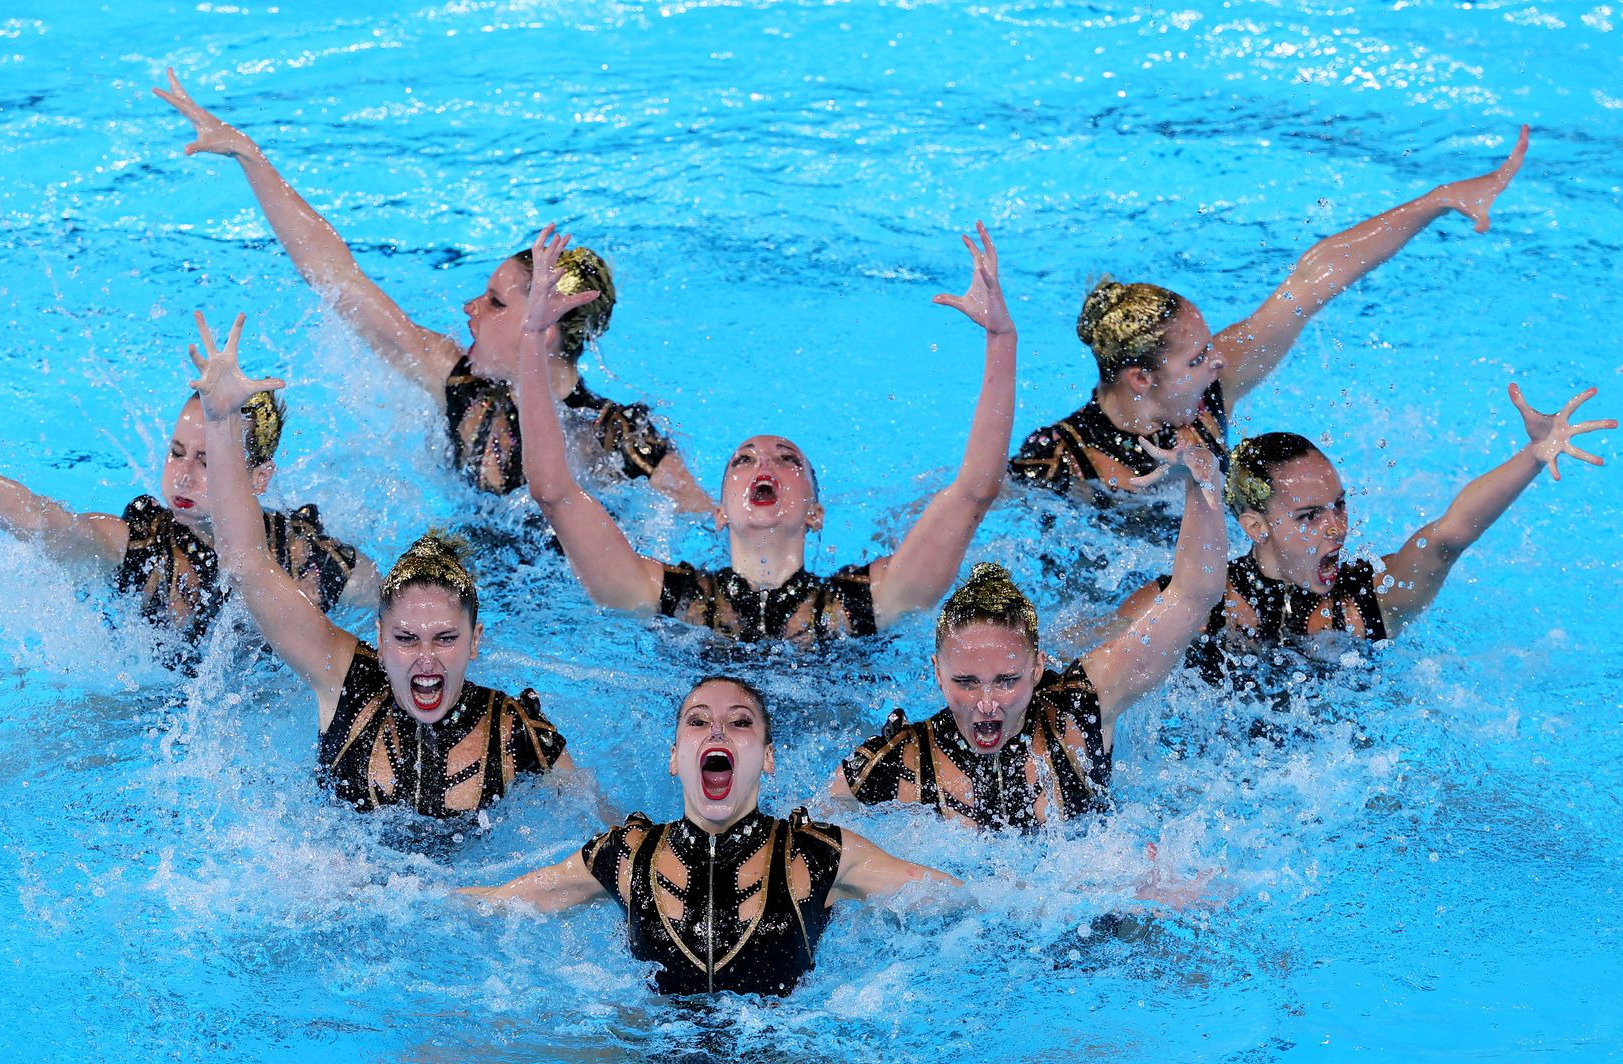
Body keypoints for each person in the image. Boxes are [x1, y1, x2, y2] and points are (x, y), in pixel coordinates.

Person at [152, 70, 714, 511]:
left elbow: (705, 518)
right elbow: (337, 277)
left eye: (495, 302)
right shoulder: (455, 380)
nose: (469, 309)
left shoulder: (612, 436)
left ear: (545, 325)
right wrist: (251, 158)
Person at [512, 223, 1018, 645]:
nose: (765, 467)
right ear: (718, 511)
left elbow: (974, 492)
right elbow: (555, 495)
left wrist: (1001, 339)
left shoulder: (864, 605)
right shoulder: (669, 599)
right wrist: (533, 338)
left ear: (815, 513)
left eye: (787, 460)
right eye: (743, 460)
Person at [1010, 127, 1532, 512]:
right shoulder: (1060, 459)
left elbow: (1313, 279)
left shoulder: (1212, 390)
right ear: (1142, 378)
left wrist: (1438, 200)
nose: (1216, 362)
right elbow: (972, 505)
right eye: (1196, 359)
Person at [187, 311, 579, 818]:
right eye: (406, 638)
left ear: (476, 640)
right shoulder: (343, 681)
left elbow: (598, 840)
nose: (425, 659)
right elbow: (246, 563)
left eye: (445, 638)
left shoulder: (512, 733)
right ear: (378, 636)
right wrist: (220, 425)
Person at [458, 676, 959, 997]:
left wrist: (1031, 906)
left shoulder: (818, 855)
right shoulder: (627, 856)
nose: (717, 731)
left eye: (740, 722)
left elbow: (954, 896)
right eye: (699, 721)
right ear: (676, 757)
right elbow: (501, 902)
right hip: (652, 1058)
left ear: (766, 757)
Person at [832, 434, 1226, 828]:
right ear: (937, 671)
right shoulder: (896, 765)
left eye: (1006, 680)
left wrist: (1201, 486)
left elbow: (1193, 595)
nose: (987, 703)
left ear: (1038, 668)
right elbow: (822, 845)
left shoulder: (1080, 712)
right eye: (966, 682)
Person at [1110, 383, 1616, 677]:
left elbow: (1449, 535)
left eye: (1339, 506)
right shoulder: (1196, 603)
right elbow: (1095, 669)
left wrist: (1532, 456)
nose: (1336, 529)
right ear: (1254, 525)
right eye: (1309, 516)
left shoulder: (1369, 597)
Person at [0, 385, 377, 649]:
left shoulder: (312, 561)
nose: (183, 476)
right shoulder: (139, 548)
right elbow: (47, 523)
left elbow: (394, 605)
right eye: (177, 452)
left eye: (209, 461)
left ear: (258, 479)